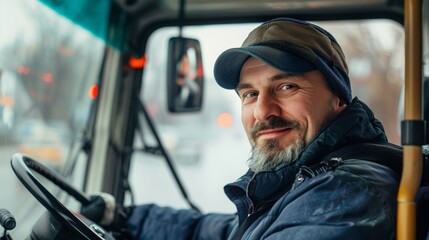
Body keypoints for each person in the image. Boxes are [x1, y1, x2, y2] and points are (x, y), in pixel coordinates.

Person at [83, 17, 401, 239]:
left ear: (338, 98)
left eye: (287, 86)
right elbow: (224, 232)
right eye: (250, 94)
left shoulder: (345, 196)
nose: (263, 111)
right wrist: (125, 218)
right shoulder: (301, 183)